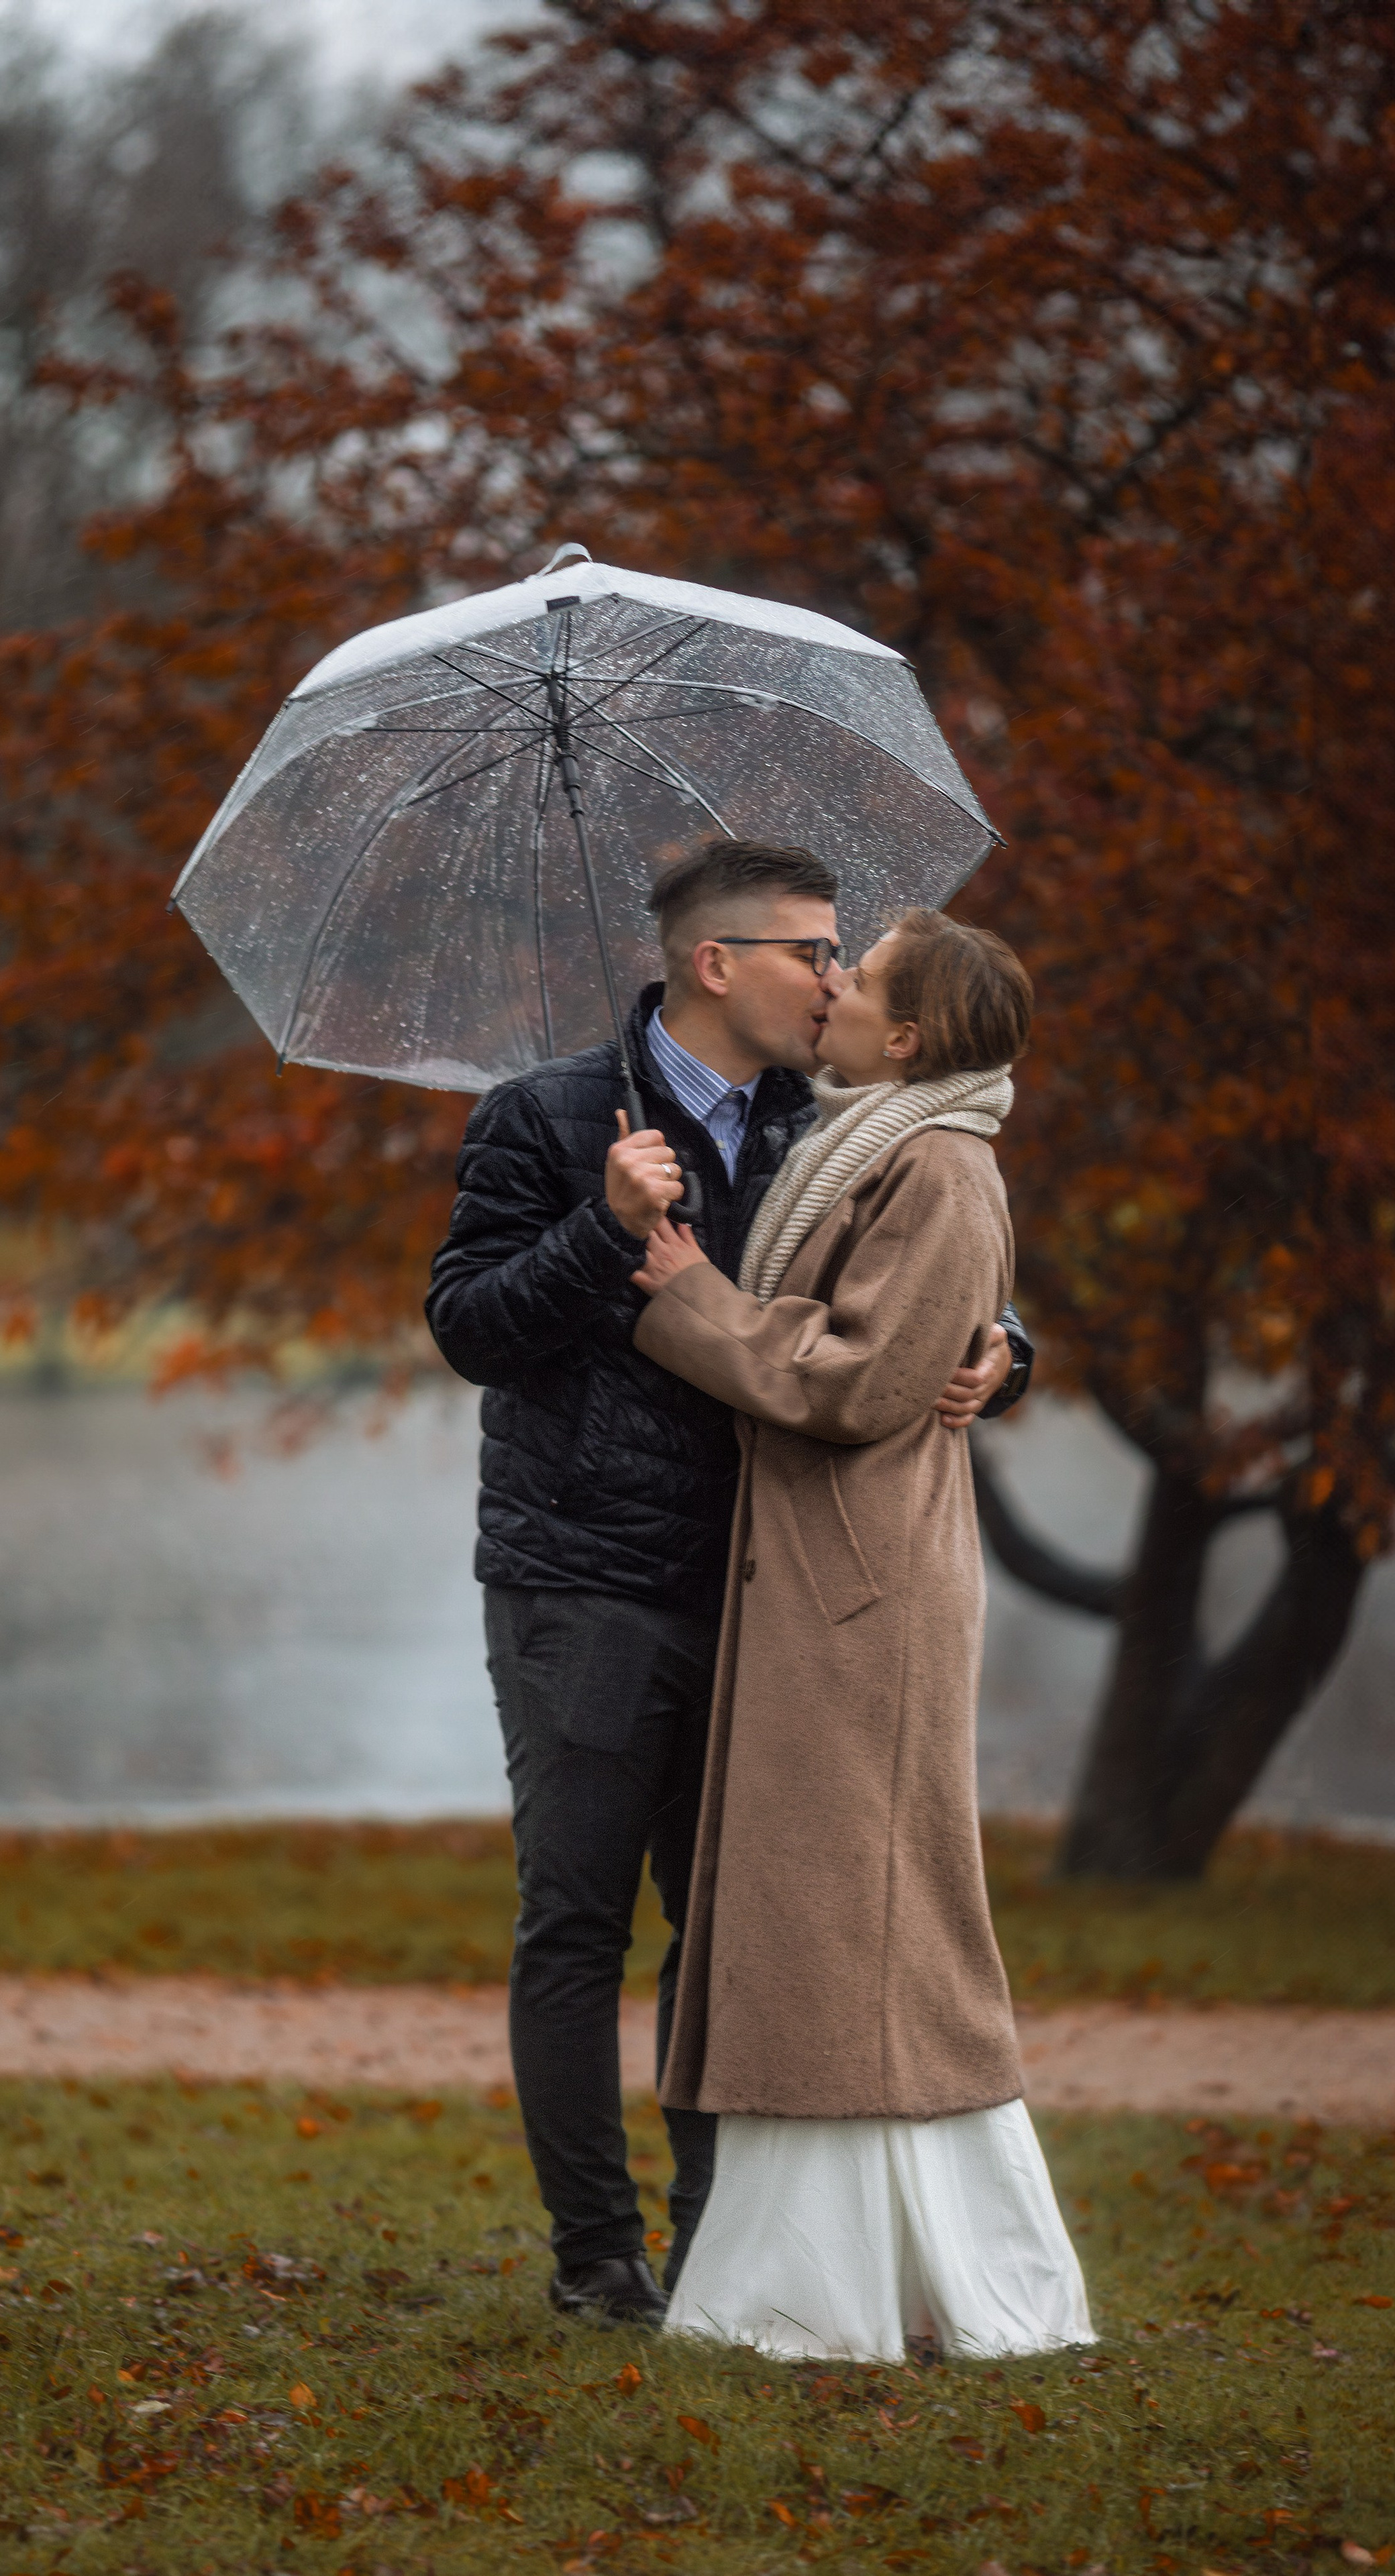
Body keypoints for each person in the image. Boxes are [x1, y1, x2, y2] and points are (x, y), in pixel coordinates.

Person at [425, 841, 1033, 2326]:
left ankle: (718, 2254)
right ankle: (597, 2260)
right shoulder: (547, 1118)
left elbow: (925, 1287)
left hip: (769, 1602)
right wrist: (599, 1227)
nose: (832, 980)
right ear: (717, 963)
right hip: (581, 1586)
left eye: (840, 958)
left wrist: (1007, 1353)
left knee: (736, 1931)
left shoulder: (833, 1126)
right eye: (809, 952)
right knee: (574, 1924)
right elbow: (469, 1328)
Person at [629, 908, 1092, 2362]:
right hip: (825, 1577)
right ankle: (819, 2272)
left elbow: (859, 1385)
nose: (827, 987)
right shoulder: (866, 1134)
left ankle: (872, 2284)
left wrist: (685, 1296)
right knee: (817, 1920)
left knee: (860, 1918)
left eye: (858, 977)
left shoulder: (939, 1159)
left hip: (864, 1588)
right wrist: (995, 1342)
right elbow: (909, 1332)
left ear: (904, 1038)